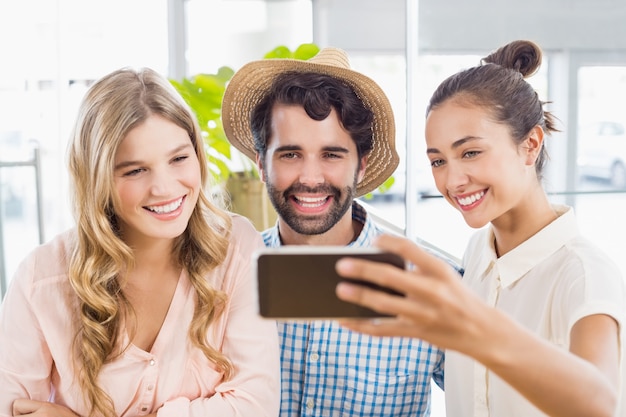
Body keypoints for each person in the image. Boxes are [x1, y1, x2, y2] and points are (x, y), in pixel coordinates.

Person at [334, 40, 625, 417]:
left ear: (530, 145)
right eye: (438, 161)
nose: (453, 180)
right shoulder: (477, 254)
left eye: (470, 152)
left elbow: (602, 402)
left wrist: (480, 331)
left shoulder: (582, 273)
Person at [0, 67, 280, 417]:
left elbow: (256, 405)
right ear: (97, 178)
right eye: (134, 170)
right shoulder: (41, 280)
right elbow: (13, 409)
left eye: (178, 158)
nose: (164, 188)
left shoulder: (238, 249)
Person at [222, 47, 459, 417]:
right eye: (290, 154)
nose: (311, 178)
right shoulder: (225, 278)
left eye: (332, 155)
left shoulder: (430, 286)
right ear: (262, 165)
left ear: (361, 166)